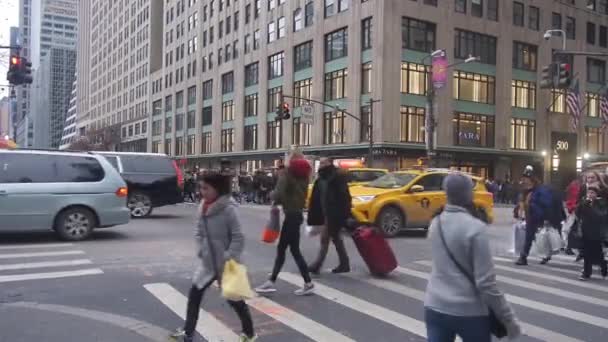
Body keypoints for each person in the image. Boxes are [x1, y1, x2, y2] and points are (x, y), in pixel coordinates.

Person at [425, 173, 521, 342]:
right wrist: (509, 319)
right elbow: (486, 283)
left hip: (435, 306)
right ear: (469, 194)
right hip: (469, 312)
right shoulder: (475, 228)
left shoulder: (435, 224)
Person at [171, 172, 256, 342]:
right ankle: (188, 332)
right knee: (195, 295)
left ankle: (249, 333)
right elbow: (199, 231)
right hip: (208, 263)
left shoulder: (229, 209)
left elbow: (238, 237)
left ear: (218, 189)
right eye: (201, 188)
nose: (202, 192)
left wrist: (228, 256)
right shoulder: (203, 206)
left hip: (227, 264)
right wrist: (201, 248)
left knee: (235, 301)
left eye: (206, 188)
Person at [255, 152, 315, 296]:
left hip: (291, 216)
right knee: (292, 250)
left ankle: (273, 281)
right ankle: (306, 282)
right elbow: (294, 194)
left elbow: (279, 193)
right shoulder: (305, 176)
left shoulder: (288, 174)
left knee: (284, 250)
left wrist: (272, 196)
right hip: (297, 214)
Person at [307, 157, 352, 274]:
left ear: (329, 163)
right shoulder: (321, 178)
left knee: (325, 238)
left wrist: (345, 213)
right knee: (336, 238)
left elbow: (345, 196)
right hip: (324, 213)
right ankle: (344, 263)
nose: (320, 164)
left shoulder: (336, 176)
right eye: (320, 162)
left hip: (334, 213)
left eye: (323, 162)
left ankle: (317, 265)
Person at [515, 165, 564, 266]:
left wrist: (545, 218)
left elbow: (546, 205)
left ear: (532, 179)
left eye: (526, 179)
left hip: (539, 218)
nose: (523, 181)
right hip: (531, 217)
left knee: (539, 237)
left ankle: (529, 256)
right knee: (530, 237)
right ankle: (524, 256)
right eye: (523, 179)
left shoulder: (541, 190)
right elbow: (522, 204)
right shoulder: (526, 191)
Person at [575, 186, 608, 280]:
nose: (590, 195)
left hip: (597, 232)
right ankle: (586, 273)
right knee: (586, 253)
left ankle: (604, 268)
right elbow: (577, 213)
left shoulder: (602, 203)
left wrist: (591, 206)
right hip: (586, 231)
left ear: (597, 194)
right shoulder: (584, 202)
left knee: (598, 254)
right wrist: (583, 204)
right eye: (589, 193)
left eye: (592, 193)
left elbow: (601, 215)